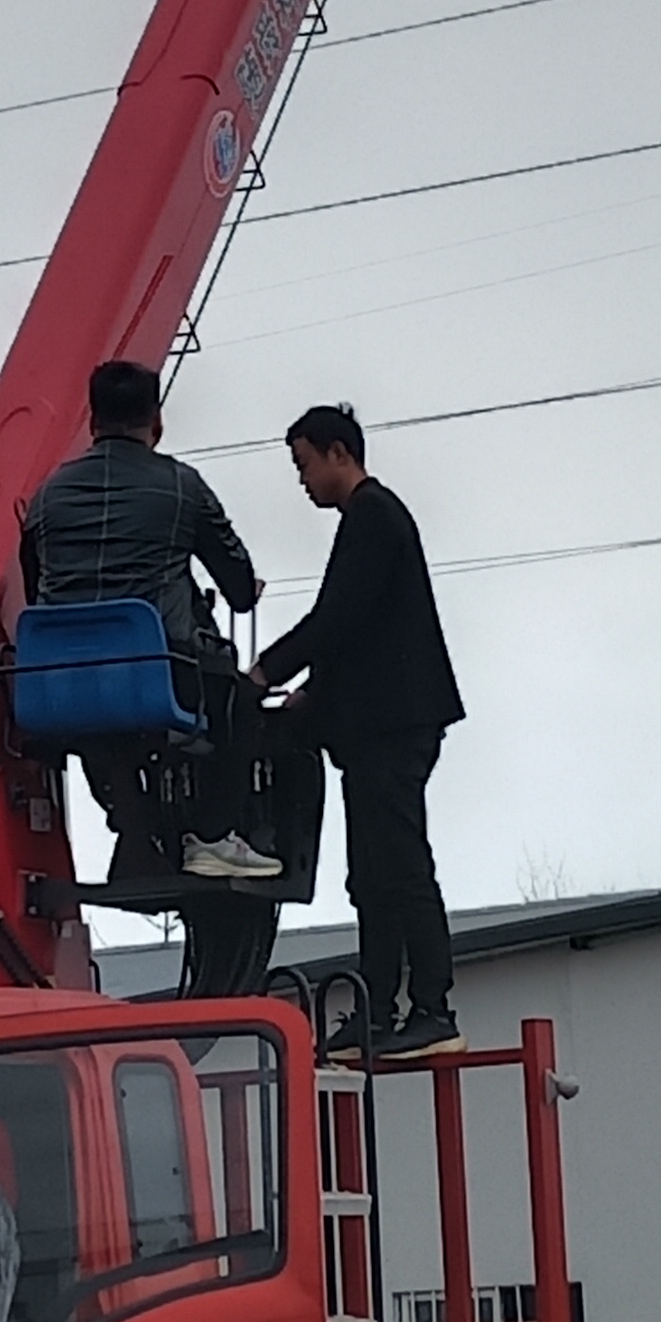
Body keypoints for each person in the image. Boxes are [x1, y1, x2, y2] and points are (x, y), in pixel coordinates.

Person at [251, 403, 464, 1064]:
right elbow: (358, 633)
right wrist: (315, 692)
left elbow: (339, 619)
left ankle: (431, 1006)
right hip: (380, 723)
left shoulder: (373, 517)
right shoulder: (370, 519)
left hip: (393, 724)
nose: (303, 480)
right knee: (373, 871)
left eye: (304, 464)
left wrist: (265, 672)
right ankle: (380, 1004)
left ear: (338, 453)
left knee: (396, 864)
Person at [19, 358, 281, 890]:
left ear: (91, 423)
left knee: (106, 721)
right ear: (156, 422)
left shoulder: (47, 496)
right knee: (237, 699)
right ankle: (211, 837)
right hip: (156, 677)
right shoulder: (182, 486)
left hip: (60, 685)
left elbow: (34, 589)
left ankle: (131, 826)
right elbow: (237, 586)